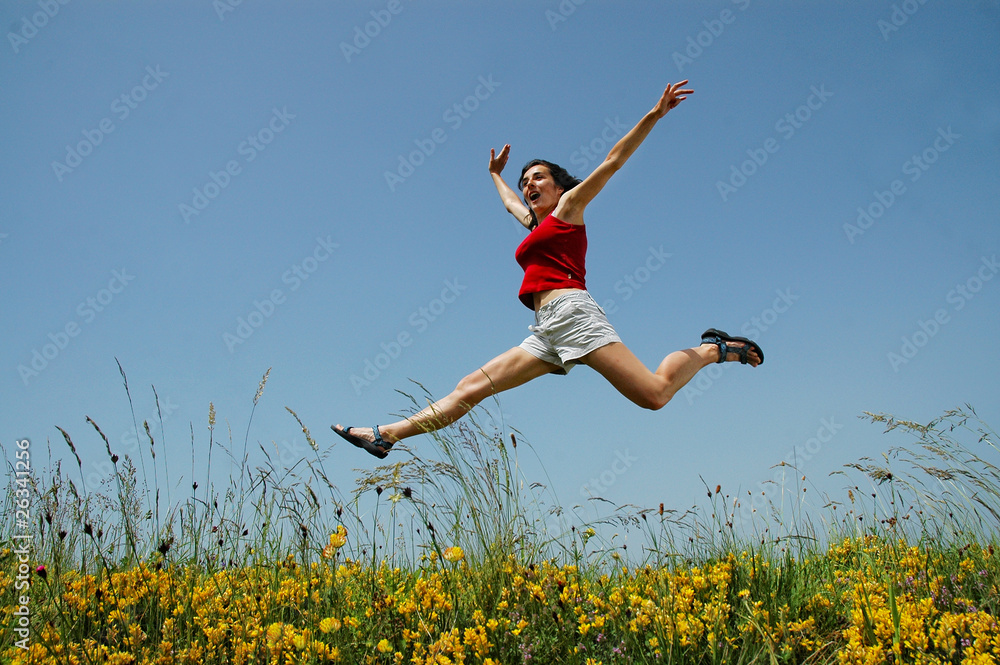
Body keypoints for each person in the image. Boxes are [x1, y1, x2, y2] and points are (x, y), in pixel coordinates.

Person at [334, 80, 762, 459]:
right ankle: (385, 436)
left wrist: (654, 113)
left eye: (538, 178)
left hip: (574, 316)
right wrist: (495, 175)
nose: (529, 185)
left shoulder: (569, 210)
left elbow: (613, 161)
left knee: (654, 395)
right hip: (546, 330)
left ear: (560, 187)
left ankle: (713, 349)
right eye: (525, 181)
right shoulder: (536, 224)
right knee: (470, 388)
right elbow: (510, 205)